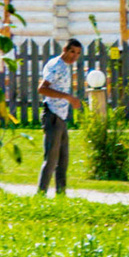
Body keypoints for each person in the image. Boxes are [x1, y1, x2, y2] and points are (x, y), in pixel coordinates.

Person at [37, 36, 79, 194]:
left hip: (61, 116)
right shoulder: (56, 65)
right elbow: (42, 89)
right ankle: (41, 194)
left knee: (63, 160)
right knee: (51, 160)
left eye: (78, 53)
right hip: (52, 115)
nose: (74, 56)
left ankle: (61, 195)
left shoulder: (65, 66)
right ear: (65, 50)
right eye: (72, 52)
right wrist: (68, 97)